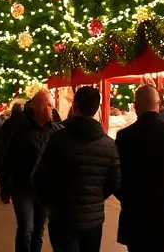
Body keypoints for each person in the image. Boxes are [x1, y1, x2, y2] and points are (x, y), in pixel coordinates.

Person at [33, 86, 120, 252]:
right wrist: (95, 198)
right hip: (93, 219)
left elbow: (39, 176)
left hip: (62, 216)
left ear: (75, 106)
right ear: (96, 109)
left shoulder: (58, 139)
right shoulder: (108, 144)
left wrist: (49, 203)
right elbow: (114, 182)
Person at [115, 85, 164, 252]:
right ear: (158, 105)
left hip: (136, 215)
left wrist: (127, 198)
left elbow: (116, 176)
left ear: (135, 107)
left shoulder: (124, 137)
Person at [0, 91, 59, 252]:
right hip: (23, 187)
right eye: (48, 105)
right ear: (38, 107)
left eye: (51, 105)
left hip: (45, 189)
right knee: (26, 227)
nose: (51, 108)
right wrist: (5, 187)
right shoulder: (22, 132)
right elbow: (8, 160)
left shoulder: (56, 131)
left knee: (38, 230)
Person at [0, 100, 25, 200]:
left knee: (7, 173)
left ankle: (6, 193)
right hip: (22, 153)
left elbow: (2, 137)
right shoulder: (26, 123)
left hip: (7, 152)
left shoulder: (8, 123)